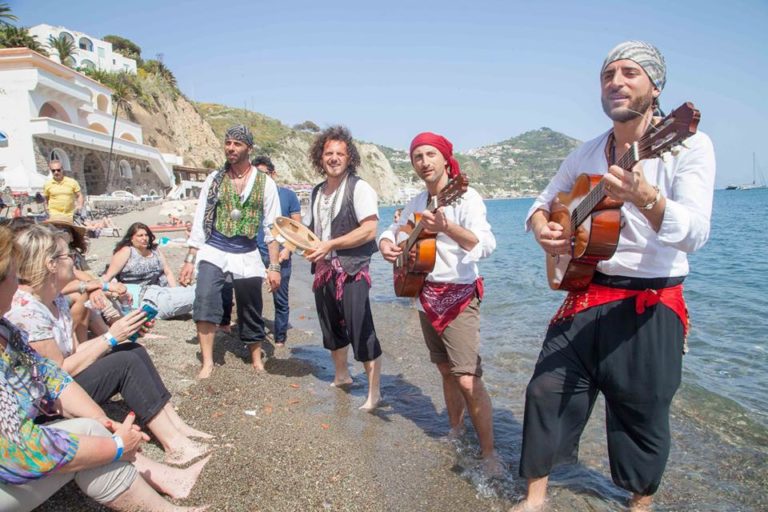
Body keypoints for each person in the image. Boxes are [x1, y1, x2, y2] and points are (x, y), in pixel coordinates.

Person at [513, 41, 716, 512]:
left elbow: (695, 234)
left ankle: (638, 504)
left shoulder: (686, 143)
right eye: (608, 74)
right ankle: (535, 498)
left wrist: (647, 198)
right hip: (586, 290)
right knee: (545, 389)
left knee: (641, 413)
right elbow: (542, 203)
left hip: (650, 301)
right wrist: (545, 228)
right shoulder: (585, 153)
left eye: (629, 73)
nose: (616, 82)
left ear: (655, 85)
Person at [0, 226, 209, 512]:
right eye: (13, 273)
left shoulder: (7, 330)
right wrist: (115, 446)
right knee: (94, 434)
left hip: (30, 430)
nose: (18, 280)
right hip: (16, 455)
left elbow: (51, 377)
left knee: (97, 419)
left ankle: (170, 480)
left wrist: (104, 422)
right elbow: (17, 452)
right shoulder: (24, 309)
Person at [378, 132, 500, 473]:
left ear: (446, 159)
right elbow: (395, 229)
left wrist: (448, 228)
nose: (424, 162)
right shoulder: (418, 201)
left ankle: (490, 454)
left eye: (430, 154)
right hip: (423, 294)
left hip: (459, 295)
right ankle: (456, 429)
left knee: (467, 377)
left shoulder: (465, 197)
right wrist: (386, 244)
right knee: (445, 370)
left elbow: (487, 245)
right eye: (417, 156)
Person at [179, 125, 282, 378]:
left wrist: (275, 266)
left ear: (249, 148)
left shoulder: (265, 183)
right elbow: (201, 220)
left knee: (251, 306)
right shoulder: (214, 179)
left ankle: (256, 358)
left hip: (246, 252)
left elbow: (273, 227)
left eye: (237, 143)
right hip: (214, 248)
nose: (231, 148)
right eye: (228, 143)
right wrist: (190, 259)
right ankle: (208, 362)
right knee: (204, 299)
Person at [304, 125, 382, 411]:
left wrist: (330, 244)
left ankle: (374, 392)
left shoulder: (359, 188)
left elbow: (370, 230)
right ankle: (342, 375)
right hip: (324, 270)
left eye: (340, 153)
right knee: (331, 326)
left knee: (361, 327)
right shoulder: (316, 191)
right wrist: (302, 247)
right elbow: (312, 231)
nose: (334, 158)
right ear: (320, 157)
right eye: (328, 153)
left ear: (350, 158)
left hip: (352, 269)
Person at [253, 156, 302, 347]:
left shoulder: (288, 196)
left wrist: (288, 250)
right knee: (252, 296)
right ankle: (255, 334)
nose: (260, 179)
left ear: (273, 174)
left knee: (280, 298)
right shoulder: (252, 197)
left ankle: (280, 337)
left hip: (281, 255)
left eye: (264, 174)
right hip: (255, 254)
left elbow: (297, 228)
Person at [102, 222, 195, 320]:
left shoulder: (155, 251)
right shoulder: (127, 251)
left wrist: (174, 290)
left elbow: (167, 272)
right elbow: (108, 277)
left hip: (160, 290)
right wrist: (112, 295)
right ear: (131, 238)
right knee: (198, 295)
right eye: (140, 235)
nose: (144, 238)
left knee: (196, 290)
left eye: (146, 235)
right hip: (143, 297)